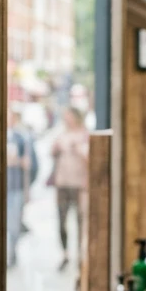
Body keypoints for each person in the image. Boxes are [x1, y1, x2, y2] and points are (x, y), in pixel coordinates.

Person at [50, 107, 89, 271]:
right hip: (62, 183)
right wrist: (57, 148)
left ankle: (81, 254)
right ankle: (65, 253)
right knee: (62, 220)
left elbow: (89, 158)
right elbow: (51, 153)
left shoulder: (84, 135)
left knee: (80, 221)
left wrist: (78, 148)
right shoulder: (61, 134)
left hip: (79, 184)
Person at [6, 108, 32, 267]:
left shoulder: (20, 138)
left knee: (14, 223)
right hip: (1, 189)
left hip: (15, 187)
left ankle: (12, 253)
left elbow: (28, 164)